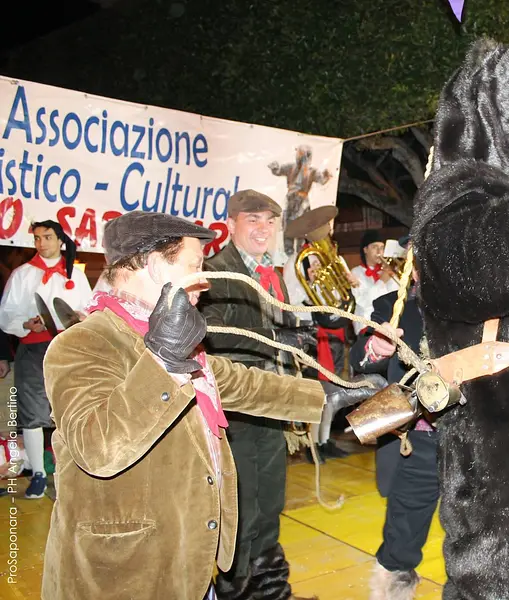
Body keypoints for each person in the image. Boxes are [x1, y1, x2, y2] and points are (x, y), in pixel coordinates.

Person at [40, 211, 343, 600]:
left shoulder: (168, 339)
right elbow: (98, 447)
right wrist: (164, 361)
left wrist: (328, 396)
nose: (204, 280)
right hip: (122, 577)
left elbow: (242, 382)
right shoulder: (83, 343)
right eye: (194, 266)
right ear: (152, 266)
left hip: (189, 566)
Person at [200, 190, 371, 599]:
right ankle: (236, 590)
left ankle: (271, 590)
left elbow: (281, 326)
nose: (263, 228)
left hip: (274, 404)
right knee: (239, 509)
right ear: (233, 224)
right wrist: (277, 337)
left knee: (271, 502)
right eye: (253, 220)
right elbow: (212, 333)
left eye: (269, 221)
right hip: (236, 410)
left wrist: (306, 327)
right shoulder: (216, 269)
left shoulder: (272, 272)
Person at [349, 238, 436, 600]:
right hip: (417, 444)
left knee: (484, 535)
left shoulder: (484, 308)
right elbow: (359, 357)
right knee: (402, 539)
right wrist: (376, 348)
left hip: (479, 443)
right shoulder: (393, 306)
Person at [0, 220, 92, 499]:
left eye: (48, 237)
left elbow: (88, 313)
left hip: (66, 350)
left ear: (60, 241)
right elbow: (6, 315)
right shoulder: (22, 274)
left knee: (68, 410)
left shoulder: (76, 275)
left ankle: (71, 471)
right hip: (30, 352)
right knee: (31, 414)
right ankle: (38, 474)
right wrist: (26, 324)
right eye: (38, 238)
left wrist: (75, 319)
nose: (41, 243)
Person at [350, 230, 399, 335]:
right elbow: (364, 301)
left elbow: (397, 296)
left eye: (382, 248)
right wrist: (382, 282)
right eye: (374, 247)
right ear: (365, 250)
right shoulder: (356, 272)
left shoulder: (386, 271)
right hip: (366, 326)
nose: (379, 251)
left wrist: (392, 276)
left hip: (389, 326)